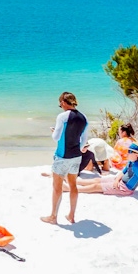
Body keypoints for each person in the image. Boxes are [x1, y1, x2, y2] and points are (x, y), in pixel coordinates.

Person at [40, 92, 89, 225]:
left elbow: (56, 137)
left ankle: (53, 217)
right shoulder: (84, 117)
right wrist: (78, 148)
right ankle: (71, 216)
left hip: (62, 156)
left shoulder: (62, 116)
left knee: (57, 187)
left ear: (63, 102)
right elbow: (84, 139)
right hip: (76, 156)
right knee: (73, 185)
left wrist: (55, 131)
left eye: (60, 103)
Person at [63, 143, 138, 200]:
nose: (128, 153)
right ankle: (73, 181)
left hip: (125, 188)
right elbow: (123, 172)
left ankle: (68, 188)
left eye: (130, 152)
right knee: (97, 180)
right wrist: (117, 179)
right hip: (120, 182)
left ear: (136, 155)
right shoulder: (131, 162)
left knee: (95, 186)